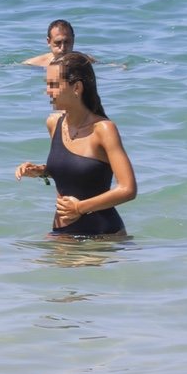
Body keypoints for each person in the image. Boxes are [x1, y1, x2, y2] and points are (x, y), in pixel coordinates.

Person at [15, 51, 137, 236]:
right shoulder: (54, 123)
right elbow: (72, 169)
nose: (47, 90)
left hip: (103, 236)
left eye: (53, 85)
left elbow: (128, 189)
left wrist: (79, 207)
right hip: (62, 233)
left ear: (77, 88)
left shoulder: (103, 129)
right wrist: (41, 171)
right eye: (47, 84)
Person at [23, 19, 94, 67]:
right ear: (48, 42)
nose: (63, 48)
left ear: (73, 40)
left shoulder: (85, 61)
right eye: (58, 43)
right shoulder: (35, 64)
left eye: (67, 42)